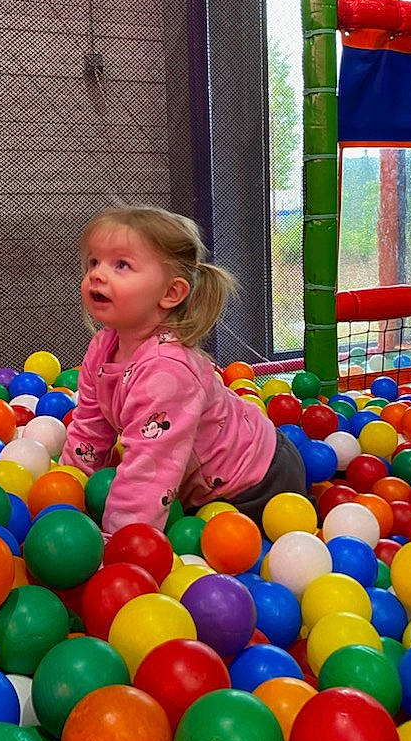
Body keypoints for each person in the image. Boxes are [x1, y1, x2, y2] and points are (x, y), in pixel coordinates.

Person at [60, 206, 307, 536]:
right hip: (197, 483)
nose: (97, 275)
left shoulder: (167, 372)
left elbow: (151, 471)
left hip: (254, 484)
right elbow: (91, 427)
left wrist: (122, 540)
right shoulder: (102, 348)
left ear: (170, 293)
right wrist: (67, 490)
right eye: (94, 262)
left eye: (121, 265)